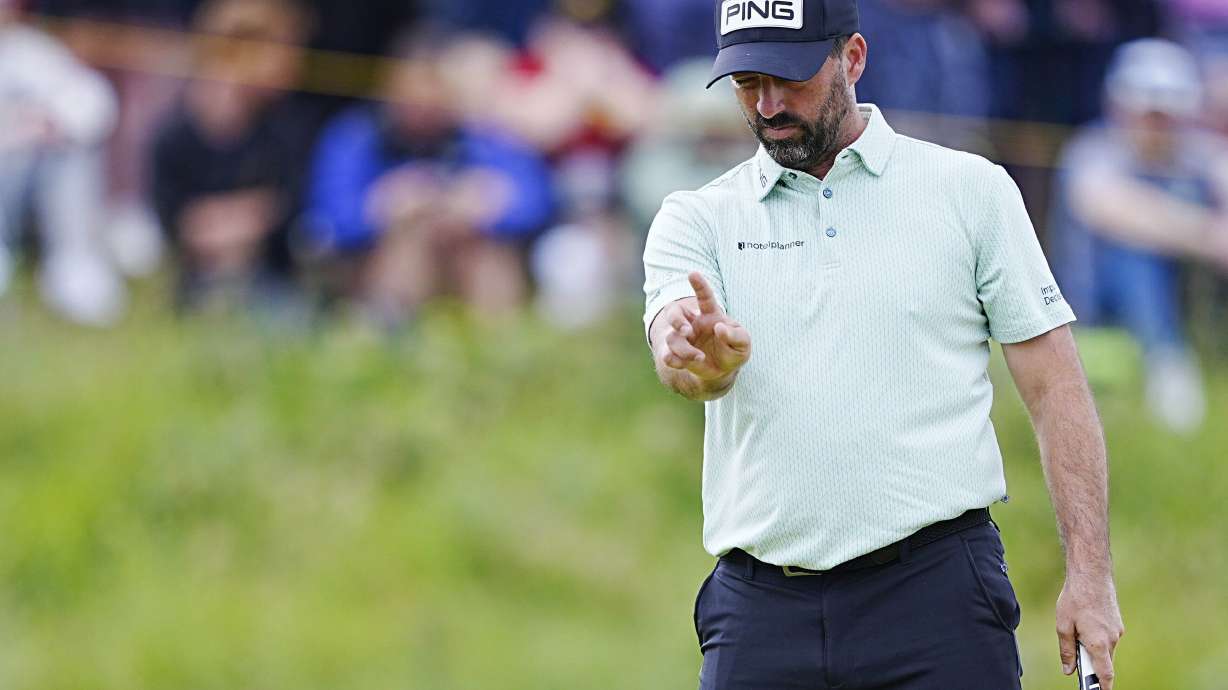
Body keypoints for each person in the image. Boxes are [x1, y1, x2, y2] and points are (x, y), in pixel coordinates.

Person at [641, 1, 1125, 687]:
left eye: (790, 77)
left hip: (937, 595)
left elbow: (1055, 390)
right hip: (760, 611)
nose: (769, 103)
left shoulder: (969, 190)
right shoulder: (696, 217)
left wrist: (1091, 577)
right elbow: (680, 346)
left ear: (854, 59)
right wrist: (697, 360)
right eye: (748, 82)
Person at [305, 29, 553, 325]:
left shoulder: (480, 137)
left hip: (466, 265)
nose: (422, 105)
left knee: (485, 250)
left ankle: (497, 344)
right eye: (412, 93)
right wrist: (381, 207)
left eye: (434, 93)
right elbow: (324, 224)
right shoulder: (356, 137)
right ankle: (393, 340)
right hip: (374, 272)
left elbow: (537, 202)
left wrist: (487, 205)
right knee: (411, 242)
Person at [1050, 38, 1228, 433]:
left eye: (1167, 115)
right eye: (1149, 114)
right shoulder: (1091, 149)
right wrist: (1207, 235)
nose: (1157, 126)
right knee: (1134, 252)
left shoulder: (1194, 152)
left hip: (1182, 293)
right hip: (1093, 304)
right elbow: (1111, 209)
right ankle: (1168, 364)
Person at [149, 0, 316, 314]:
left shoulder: (287, 130)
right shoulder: (174, 135)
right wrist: (251, 214)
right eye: (282, 49)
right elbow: (173, 226)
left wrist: (219, 221)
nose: (293, 64)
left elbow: (292, 211)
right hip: (196, 290)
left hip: (276, 288)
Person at [0, 0, 126, 326]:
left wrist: (51, 123)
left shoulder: (35, 53)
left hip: (34, 176)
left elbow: (93, 102)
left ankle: (74, 265)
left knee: (70, 155)